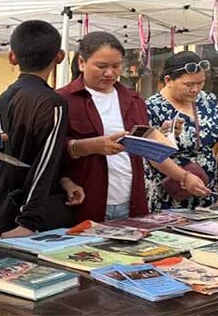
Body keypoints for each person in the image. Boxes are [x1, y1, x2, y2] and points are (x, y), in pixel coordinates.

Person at [58, 32, 209, 222]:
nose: (110, 73)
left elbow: (148, 149)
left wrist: (184, 177)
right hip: (85, 201)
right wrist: (90, 146)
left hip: (132, 200)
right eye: (101, 66)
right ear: (81, 63)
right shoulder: (63, 100)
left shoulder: (133, 100)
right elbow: (50, 154)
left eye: (116, 66)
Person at [0, 20, 75, 243]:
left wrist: (64, 180)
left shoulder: (5, 96)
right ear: (59, 57)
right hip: (24, 220)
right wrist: (28, 221)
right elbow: (46, 162)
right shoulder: (54, 103)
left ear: (12, 57)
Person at [145, 51, 218, 211]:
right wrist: (184, 177)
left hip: (205, 187)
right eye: (189, 85)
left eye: (201, 83)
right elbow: (154, 155)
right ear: (168, 80)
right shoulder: (152, 107)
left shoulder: (208, 100)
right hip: (170, 189)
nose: (195, 89)